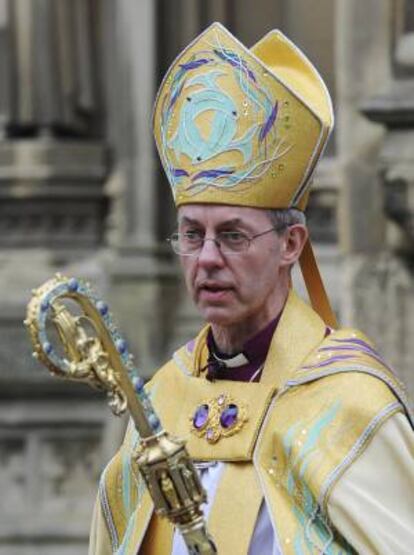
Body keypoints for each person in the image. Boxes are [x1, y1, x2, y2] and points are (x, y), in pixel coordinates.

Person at [89, 23, 414, 555]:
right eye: (192, 235)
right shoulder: (163, 399)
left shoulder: (348, 402)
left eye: (233, 235)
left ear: (291, 244)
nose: (209, 259)